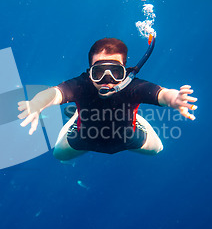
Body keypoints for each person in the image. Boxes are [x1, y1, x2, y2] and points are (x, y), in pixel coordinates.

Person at [17, 38, 198, 161]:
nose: (107, 80)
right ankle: (76, 117)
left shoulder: (134, 87)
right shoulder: (81, 85)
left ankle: (134, 120)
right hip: (84, 138)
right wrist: (37, 104)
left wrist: (175, 99)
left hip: (129, 138)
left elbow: (163, 94)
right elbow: (54, 93)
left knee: (159, 150)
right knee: (58, 156)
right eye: (99, 72)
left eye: (115, 72)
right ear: (90, 73)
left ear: (125, 72)